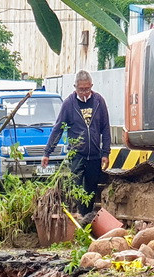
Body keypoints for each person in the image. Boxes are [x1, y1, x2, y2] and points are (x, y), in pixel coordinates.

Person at [42, 70, 111, 213]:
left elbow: (105, 128)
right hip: (77, 155)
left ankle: (87, 218)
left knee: (91, 189)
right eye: (81, 89)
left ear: (91, 85)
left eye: (87, 89)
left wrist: (105, 153)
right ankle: (81, 217)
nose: (84, 92)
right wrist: (47, 152)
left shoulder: (99, 101)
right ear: (75, 87)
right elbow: (58, 128)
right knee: (77, 189)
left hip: (94, 155)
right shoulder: (69, 104)